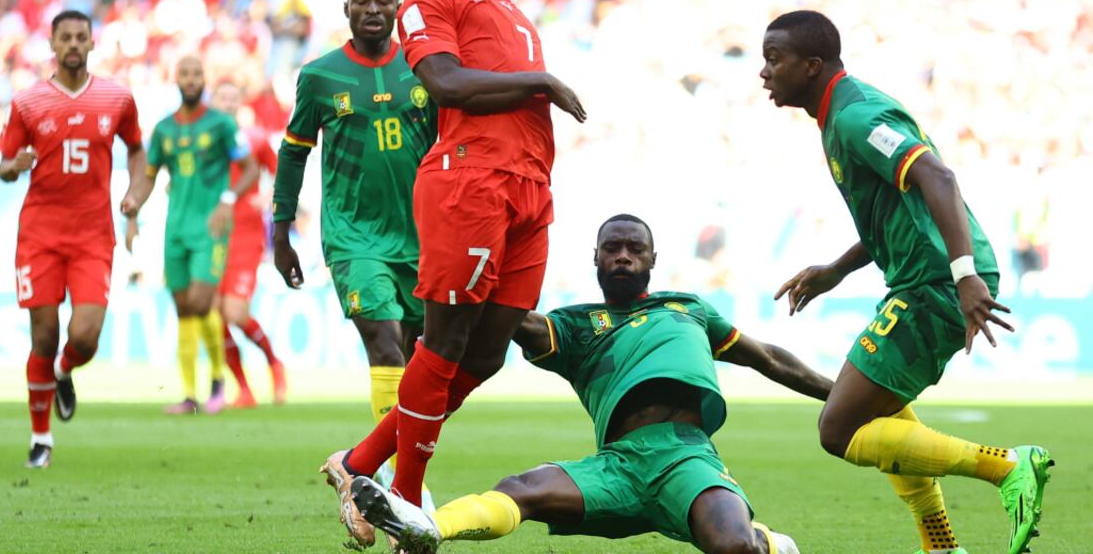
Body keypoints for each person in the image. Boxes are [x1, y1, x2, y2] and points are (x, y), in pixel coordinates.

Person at [321, 0, 588, 545]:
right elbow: (442, 82)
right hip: (469, 182)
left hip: (529, 192)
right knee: (440, 344)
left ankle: (358, 466)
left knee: (488, 353)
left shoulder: (510, 8)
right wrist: (541, 80)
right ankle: (405, 503)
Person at [350, 214, 830, 554]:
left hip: (686, 457)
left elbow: (767, 357)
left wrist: (840, 393)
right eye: (612, 248)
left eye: (634, 249)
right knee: (520, 488)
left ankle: (763, 542)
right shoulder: (577, 326)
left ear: (652, 259)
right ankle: (426, 527)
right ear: (595, 258)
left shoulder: (688, 308)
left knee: (734, 547)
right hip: (617, 468)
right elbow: (513, 317)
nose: (623, 256)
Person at [760, 10, 1053, 554]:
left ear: (813, 65)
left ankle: (1009, 467)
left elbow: (936, 176)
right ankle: (940, 546)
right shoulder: (837, 116)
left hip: (934, 282)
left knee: (838, 429)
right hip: (923, 277)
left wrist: (963, 276)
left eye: (774, 59)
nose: (764, 72)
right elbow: (896, 211)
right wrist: (835, 270)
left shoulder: (854, 117)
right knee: (879, 411)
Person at [273, 0, 437, 514]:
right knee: (385, 345)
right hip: (354, 238)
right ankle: (397, 483)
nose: (372, 9)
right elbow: (294, 150)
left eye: (382, 0)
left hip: (422, 237)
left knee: (419, 364)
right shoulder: (321, 76)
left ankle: (367, 466)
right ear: (346, 10)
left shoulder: (423, 68)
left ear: (396, 8)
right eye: (361, 0)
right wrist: (281, 229)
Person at [0, 10, 148, 469]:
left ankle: (64, 371)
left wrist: (134, 195)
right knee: (44, 335)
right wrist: (15, 166)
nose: (74, 45)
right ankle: (40, 438)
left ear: (92, 43)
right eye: (66, 38)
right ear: (53, 43)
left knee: (84, 334)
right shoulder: (28, 103)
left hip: (92, 233)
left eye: (82, 37)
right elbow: (3, 165)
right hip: (40, 232)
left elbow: (137, 148)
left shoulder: (116, 98)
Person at [127, 55, 260, 415]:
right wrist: (133, 208)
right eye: (183, 73)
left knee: (202, 302)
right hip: (176, 231)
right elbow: (150, 174)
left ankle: (217, 380)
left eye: (196, 74)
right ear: (176, 79)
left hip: (210, 229)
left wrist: (227, 201)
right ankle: (189, 395)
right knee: (184, 309)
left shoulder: (220, 125)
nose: (190, 79)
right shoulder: (165, 129)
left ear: (204, 79)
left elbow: (250, 169)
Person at [210, 79, 285, 408]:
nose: (226, 104)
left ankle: (273, 362)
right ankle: (243, 389)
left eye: (232, 98)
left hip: (245, 235)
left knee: (235, 311)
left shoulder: (253, 139)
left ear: (239, 104)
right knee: (214, 315)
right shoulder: (203, 142)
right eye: (221, 98)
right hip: (211, 236)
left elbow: (281, 173)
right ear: (213, 103)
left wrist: (268, 197)